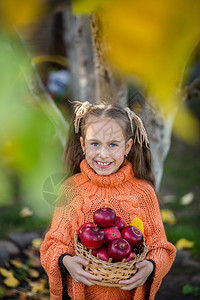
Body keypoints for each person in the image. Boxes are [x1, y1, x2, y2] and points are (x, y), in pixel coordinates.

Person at [40, 101, 176, 300]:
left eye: (113, 144)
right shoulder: (70, 189)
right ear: (83, 145)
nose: (103, 154)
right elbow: (52, 244)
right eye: (95, 143)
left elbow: (160, 247)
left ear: (127, 146)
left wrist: (150, 266)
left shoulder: (143, 193)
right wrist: (65, 261)